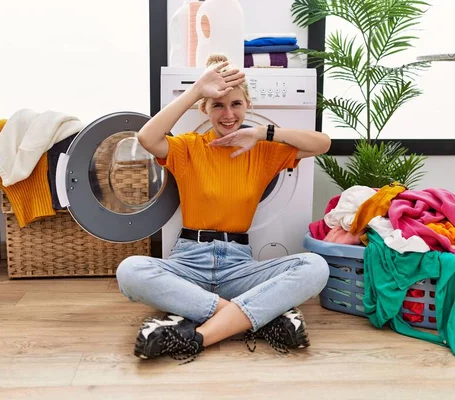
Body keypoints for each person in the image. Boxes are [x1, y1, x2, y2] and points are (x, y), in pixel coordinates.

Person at [116, 53, 332, 363]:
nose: (228, 114)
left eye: (236, 104)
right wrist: (195, 90)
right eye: (218, 104)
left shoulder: (264, 151)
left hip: (239, 267)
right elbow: (147, 137)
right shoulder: (188, 147)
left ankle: (198, 336)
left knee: (315, 267)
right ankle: (258, 318)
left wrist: (263, 132)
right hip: (188, 262)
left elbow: (322, 143)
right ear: (204, 108)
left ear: (248, 106)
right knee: (130, 271)